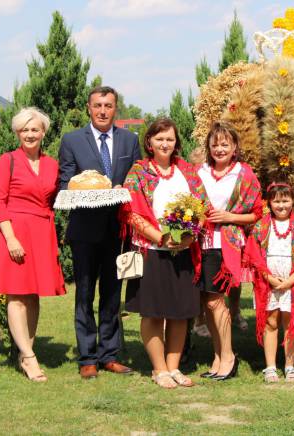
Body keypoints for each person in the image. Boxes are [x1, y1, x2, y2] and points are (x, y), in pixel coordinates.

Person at [59, 86, 141, 379]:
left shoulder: (130, 141)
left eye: (108, 105)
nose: (103, 111)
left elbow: (137, 179)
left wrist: (126, 190)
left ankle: (109, 354)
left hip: (118, 230)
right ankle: (87, 358)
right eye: (97, 106)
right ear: (88, 108)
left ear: (115, 108)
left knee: (111, 295)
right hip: (84, 230)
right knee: (84, 294)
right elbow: (64, 182)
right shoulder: (71, 141)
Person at [120, 118, 209, 388]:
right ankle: (159, 369)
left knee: (181, 313)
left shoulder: (188, 171)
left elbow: (203, 205)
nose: (164, 144)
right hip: (152, 251)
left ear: (176, 142)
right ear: (149, 142)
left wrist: (191, 234)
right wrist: (162, 236)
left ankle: (174, 367)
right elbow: (131, 213)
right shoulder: (138, 172)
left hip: (184, 252)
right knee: (153, 313)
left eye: (169, 139)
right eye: (159, 139)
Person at [0, 107, 66, 382]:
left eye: (35, 129)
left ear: (43, 132)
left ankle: (25, 351)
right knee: (17, 295)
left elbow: (60, 198)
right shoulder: (8, 161)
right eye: (24, 130)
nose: (30, 134)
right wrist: (10, 238)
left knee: (33, 294)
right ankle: (29, 357)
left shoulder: (53, 164)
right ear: (17, 132)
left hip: (42, 232)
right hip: (14, 232)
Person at [197, 121, 262, 381]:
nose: (220, 149)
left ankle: (229, 356)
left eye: (225, 144)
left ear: (235, 147)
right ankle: (217, 355)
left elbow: (256, 214)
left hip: (226, 244)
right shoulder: (199, 172)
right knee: (206, 302)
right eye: (215, 144)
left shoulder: (244, 174)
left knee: (215, 300)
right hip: (200, 242)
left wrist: (229, 216)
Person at [244, 183, 294, 383]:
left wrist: (291, 281)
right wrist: (270, 279)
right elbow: (255, 255)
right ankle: (270, 367)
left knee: (291, 323)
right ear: (269, 203)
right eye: (276, 201)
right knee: (271, 321)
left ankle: (290, 366)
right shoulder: (261, 226)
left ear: (293, 201)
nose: (281, 205)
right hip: (268, 282)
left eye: (285, 200)